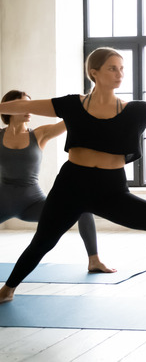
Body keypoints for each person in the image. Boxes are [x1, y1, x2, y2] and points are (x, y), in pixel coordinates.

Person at [0, 47, 146, 313]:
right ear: (94, 72)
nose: (120, 74)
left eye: (122, 68)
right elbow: (22, 105)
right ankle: (7, 289)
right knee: (42, 242)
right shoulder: (70, 105)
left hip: (111, 190)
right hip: (71, 186)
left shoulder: (135, 110)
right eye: (112, 68)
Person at [0, 90, 114, 273]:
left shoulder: (39, 134)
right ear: (9, 108)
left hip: (33, 204)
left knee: (83, 207)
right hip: (3, 202)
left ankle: (94, 260)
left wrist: (89, 100)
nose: (28, 109)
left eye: (30, 104)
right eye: (22, 105)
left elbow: (71, 119)